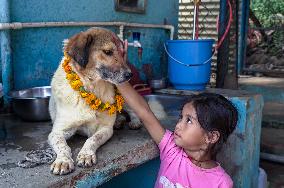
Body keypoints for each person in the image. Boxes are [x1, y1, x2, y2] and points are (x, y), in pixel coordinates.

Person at [116, 40, 238, 188]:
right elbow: (144, 112)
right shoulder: (171, 149)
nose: (178, 125)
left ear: (211, 137)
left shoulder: (221, 183)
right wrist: (117, 71)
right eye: (181, 117)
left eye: (189, 121)